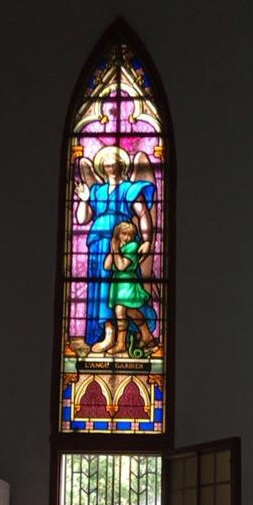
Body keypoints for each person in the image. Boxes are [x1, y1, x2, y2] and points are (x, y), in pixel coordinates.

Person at [74, 145, 156, 351]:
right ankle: (108, 332)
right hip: (98, 244)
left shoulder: (129, 189)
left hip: (122, 243)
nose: (110, 167)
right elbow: (82, 219)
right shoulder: (97, 191)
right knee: (100, 286)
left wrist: (147, 240)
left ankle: (123, 336)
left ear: (122, 166)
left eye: (114, 164)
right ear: (102, 168)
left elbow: (143, 214)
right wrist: (84, 200)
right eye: (107, 164)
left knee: (120, 289)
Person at [103, 221, 158, 356]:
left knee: (120, 310)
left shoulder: (133, 246)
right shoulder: (119, 247)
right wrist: (113, 249)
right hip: (118, 283)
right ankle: (147, 335)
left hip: (127, 282)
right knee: (131, 311)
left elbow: (121, 266)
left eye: (130, 235)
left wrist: (116, 250)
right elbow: (107, 266)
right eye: (123, 234)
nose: (127, 237)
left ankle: (121, 344)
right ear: (118, 235)